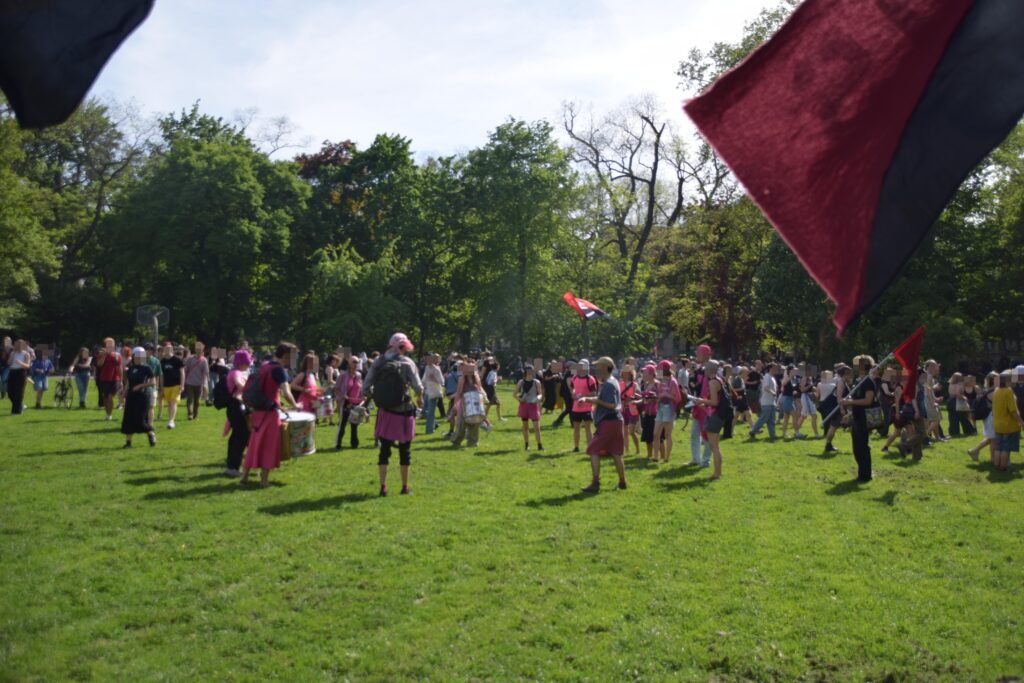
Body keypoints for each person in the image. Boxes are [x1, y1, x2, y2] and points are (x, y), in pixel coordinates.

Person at [362, 333, 424, 497]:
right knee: (405, 451)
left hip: (385, 413)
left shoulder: (378, 361)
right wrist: (419, 398)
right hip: (404, 412)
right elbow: (418, 387)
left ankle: (383, 487)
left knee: (384, 451)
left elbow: (366, 387)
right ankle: (404, 487)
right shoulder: (408, 362)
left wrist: (378, 396)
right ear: (405, 346)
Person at [241, 342, 299, 488]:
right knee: (269, 446)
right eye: (292, 356)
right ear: (286, 356)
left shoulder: (265, 365)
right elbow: (286, 392)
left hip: (257, 411)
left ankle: (244, 477)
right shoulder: (279, 370)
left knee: (254, 444)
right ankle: (264, 481)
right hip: (270, 414)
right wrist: (296, 405)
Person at [579, 357, 627, 493]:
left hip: (608, 422)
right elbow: (602, 399)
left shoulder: (609, 384)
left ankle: (595, 483)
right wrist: (587, 399)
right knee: (616, 453)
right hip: (616, 421)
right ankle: (622, 482)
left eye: (599, 366)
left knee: (593, 449)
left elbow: (611, 405)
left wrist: (596, 402)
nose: (596, 368)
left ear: (606, 367)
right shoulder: (612, 381)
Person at [840, 356, 877, 482]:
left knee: (862, 447)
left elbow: (868, 400)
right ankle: (862, 472)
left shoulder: (868, 382)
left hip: (864, 418)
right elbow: (857, 399)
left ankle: (865, 475)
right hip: (857, 416)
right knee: (857, 447)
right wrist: (849, 408)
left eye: (856, 364)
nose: (854, 367)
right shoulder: (858, 381)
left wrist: (850, 401)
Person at [693, 360, 728, 480]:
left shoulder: (712, 382)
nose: (704, 371)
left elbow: (714, 402)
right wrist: (703, 405)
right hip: (717, 415)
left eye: (705, 369)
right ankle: (718, 472)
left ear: (709, 370)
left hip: (715, 416)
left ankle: (716, 474)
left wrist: (701, 400)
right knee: (715, 446)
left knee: (714, 447)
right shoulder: (719, 379)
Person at [120, 347, 157, 448]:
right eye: (137, 356)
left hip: (142, 396)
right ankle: (128, 443)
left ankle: (151, 433)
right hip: (131, 397)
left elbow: (153, 382)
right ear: (134, 356)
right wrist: (123, 396)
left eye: (141, 356)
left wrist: (140, 386)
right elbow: (128, 383)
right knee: (128, 419)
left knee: (140, 420)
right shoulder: (131, 369)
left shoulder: (147, 368)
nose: (139, 358)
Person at [224, 350, 252, 477]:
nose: (249, 364)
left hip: (236, 406)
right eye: (247, 362)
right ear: (242, 362)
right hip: (236, 406)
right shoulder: (236, 373)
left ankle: (233, 466)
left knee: (237, 436)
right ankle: (233, 467)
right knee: (240, 437)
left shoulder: (237, 372)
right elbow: (239, 385)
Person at [990, 370, 1024, 472]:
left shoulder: (996, 390)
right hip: (1007, 425)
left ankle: (997, 466)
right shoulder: (1008, 391)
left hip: (997, 424)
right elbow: (1012, 410)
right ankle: (1003, 467)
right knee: (1006, 448)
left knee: (998, 447)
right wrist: (1021, 421)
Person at [652, 359, 682, 464]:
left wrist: (666, 395)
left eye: (659, 369)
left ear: (664, 370)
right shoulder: (660, 381)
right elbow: (658, 394)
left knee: (667, 434)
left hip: (669, 408)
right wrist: (656, 397)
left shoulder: (672, 382)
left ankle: (666, 458)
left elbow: (677, 398)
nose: (657, 371)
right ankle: (655, 456)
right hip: (660, 408)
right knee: (656, 434)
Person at [451, 358, 486, 448]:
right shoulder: (462, 379)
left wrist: (483, 398)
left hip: (475, 403)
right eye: (468, 370)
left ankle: (473, 442)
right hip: (464, 403)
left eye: (472, 370)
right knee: (462, 424)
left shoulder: (477, 379)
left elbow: (480, 389)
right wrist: (455, 405)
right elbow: (459, 392)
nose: (470, 372)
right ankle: (456, 440)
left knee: (475, 422)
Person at [334, 354, 365, 450]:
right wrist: (343, 396)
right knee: (342, 424)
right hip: (346, 403)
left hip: (356, 403)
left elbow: (360, 388)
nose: (356, 364)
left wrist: (362, 398)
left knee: (354, 424)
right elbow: (336, 388)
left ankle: (354, 444)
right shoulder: (343, 375)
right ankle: (338, 443)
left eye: (357, 362)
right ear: (349, 363)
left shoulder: (359, 375)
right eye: (354, 362)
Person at [689, 344, 713, 465]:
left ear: (705, 354)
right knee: (694, 433)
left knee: (707, 434)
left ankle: (706, 460)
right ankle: (696, 459)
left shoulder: (712, 369)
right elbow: (695, 387)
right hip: (697, 405)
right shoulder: (698, 369)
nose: (696, 355)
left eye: (698, 353)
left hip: (707, 406)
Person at [968, 372, 999, 462]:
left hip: (989, 417)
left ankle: (974, 451)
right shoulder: (994, 392)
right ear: (994, 380)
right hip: (991, 417)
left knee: (991, 438)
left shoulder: (988, 390)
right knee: (993, 439)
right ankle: (992, 459)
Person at [569, 360, 597, 452]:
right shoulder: (574, 378)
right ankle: (576, 447)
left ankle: (590, 447)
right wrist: (573, 394)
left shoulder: (590, 379)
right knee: (576, 428)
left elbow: (594, 393)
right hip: (576, 407)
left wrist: (583, 396)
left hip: (587, 407)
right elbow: (572, 388)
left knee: (588, 428)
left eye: (582, 366)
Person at [515, 365, 544, 450]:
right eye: (528, 371)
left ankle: (539, 445)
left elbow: (540, 394)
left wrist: (538, 398)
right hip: (524, 406)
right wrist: (519, 399)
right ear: (525, 372)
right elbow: (514, 394)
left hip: (533, 406)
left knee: (536, 427)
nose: (530, 373)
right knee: (525, 427)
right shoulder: (521, 382)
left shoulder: (536, 382)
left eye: (531, 371)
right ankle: (527, 445)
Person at [748, 362, 779, 440]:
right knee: (763, 419)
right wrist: (773, 392)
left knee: (771, 420)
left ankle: (773, 435)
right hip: (766, 402)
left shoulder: (772, 377)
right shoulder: (767, 377)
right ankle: (753, 431)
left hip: (771, 402)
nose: (777, 369)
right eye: (775, 367)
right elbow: (765, 387)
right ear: (771, 368)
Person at [95, 338, 122, 421]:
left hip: (114, 379)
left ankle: (109, 414)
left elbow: (119, 368)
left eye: (111, 345)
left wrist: (121, 380)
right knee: (105, 397)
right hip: (103, 379)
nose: (110, 346)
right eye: (108, 345)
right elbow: (99, 364)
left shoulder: (117, 355)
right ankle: (107, 413)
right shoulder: (101, 354)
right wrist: (104, 355)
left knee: (110, 396)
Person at [159, 343, 184, 429]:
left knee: (173, 402)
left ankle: (171, 421)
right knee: (169, 403)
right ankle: (170, 419)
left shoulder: (177, 360)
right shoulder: (162, 361)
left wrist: (182, 385)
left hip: (176, 385)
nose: (168, 350)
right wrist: (161, 388)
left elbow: (182, 372)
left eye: (169, 348)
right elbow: (161, 376)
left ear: (172, 349)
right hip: (166, 385)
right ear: (164, 349)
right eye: (166, 348)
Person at [638, 364, 661, 460]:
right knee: (647, 435)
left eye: (645, 373)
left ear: (651, 374)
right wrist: (638, 400)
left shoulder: (657, 384)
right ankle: (649, 455)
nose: (643, 374)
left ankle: (662, 456)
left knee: (658, 436)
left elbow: (661, 398)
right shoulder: (646, 384)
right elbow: (644, 399)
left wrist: (654, 399)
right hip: (647, 412)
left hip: (656, 413)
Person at [183, 341, 210, 421]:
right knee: (189, 399)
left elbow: (205, 372)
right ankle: (190, 414)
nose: (198, 350)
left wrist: (203, 383)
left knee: (197, 401)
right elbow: (185, 369)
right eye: (197, 349)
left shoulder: (204, 360)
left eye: (200, 349)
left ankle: (195, 415)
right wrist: (184, 380)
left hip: (199, 383)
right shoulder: (190, 358)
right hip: (189, 382)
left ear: (202, 350)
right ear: (195, 349)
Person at [421, 353, 445, 435]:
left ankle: (429, 430)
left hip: (435, 393)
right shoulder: (427, 368)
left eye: (428, 359)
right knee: (425, 411)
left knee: (430, 412)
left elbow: (442, 382)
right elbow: (424, 379)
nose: (426, 361)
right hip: (427, 392)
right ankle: (435, 424)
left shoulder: (437, 369)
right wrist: (421, 386)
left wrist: (434, 378)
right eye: (426, 359)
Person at [620, 366, 641, 455]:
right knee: (624, 432)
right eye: (624, 372)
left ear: (630, 374)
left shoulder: (634, 384)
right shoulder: (620, 384)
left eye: (627, 373)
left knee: (631, 432)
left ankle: (637, 450)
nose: (625, 374)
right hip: (623, 410)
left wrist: (632, 397)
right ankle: (626, 450)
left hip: (632, 410)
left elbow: (639, 395)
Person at [6, 339, 31, 415]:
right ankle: (20, 406)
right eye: (17, 344)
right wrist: (11, 357)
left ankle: (16, 411)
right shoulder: (13, 353)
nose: (18, 346)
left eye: (20, 345)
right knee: (10, 392)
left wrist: (21, 363)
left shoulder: (26, 354)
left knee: (18, 392)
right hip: (12, 372)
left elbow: (27, 365)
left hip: (21, 373)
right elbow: (9, 363)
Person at [482, 357, 504, 422]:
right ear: (497, 367)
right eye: (499, 366)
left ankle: (499, 418)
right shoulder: (494, 373)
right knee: (490, 404)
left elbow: (488, 380)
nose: (499, 367)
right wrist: (498, 379)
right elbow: (492, 382)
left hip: (489, 389)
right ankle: (484, 418)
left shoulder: (491, 372)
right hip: (492, 390)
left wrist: (496, 378)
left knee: (496, 404)